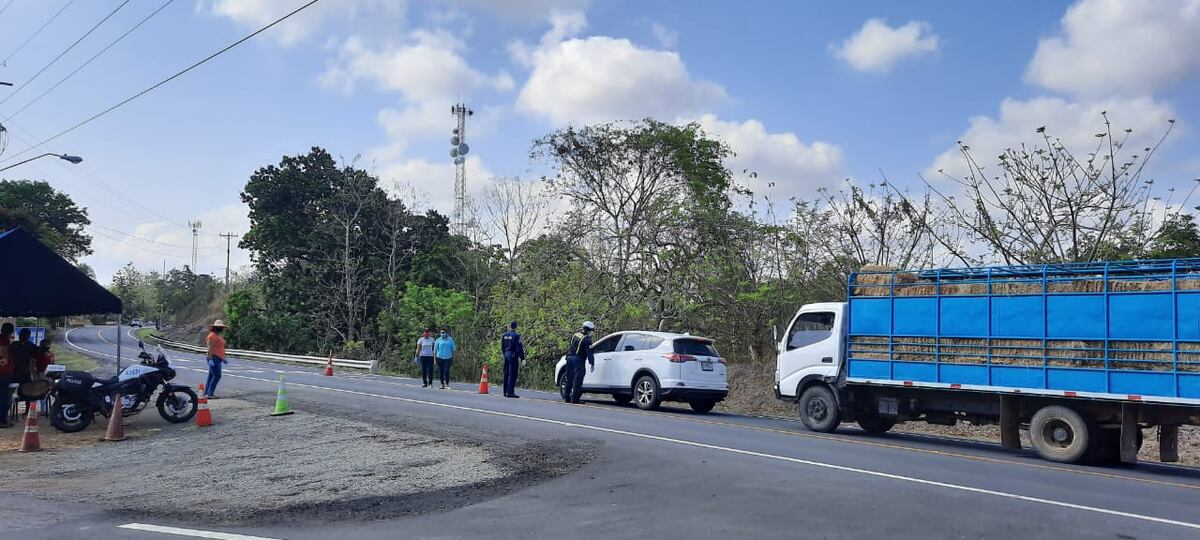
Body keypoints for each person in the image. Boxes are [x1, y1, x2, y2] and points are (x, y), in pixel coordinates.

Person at [563, 321, 596, 404]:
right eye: (592, 330)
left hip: (569, 358)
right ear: (588, 330)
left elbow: (570, 346)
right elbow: (589, 352)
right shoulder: (587, 340)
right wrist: (592, 363)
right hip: (578, 360)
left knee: (569, 378)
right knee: (578, 380)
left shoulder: (575, 335)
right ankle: (575, 399)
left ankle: (566, 397)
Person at [500, 321, 526, 398]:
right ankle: (510, 392)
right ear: (515, 327)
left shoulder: (504, 335)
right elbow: (519, 348)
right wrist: (522, 358)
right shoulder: (516, 336)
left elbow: (502, 347)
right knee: (512, 374)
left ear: (509, 326)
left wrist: (504, 354)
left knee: (506, 373)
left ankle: (505, 391)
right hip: (513, 356)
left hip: (506, 355)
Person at [205, 320, 228, 399]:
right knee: (217, 376)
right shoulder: (212, 336)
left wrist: (223, 358)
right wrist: (210, 359)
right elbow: (209, 348)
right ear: (215, 327)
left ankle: (207, 393)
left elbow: (218, 348)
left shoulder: (217, 335)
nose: (221, 328)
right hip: (214, 358)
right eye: (220, 327)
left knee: (211, 376)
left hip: (217, 358)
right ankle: (210, 393)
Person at [0, 323, 14, 428]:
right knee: (4, 398)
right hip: (3, 374)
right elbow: (3, 351)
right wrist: (5, 361)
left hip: (3, 373)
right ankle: (2, 420)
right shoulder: (4, 340)